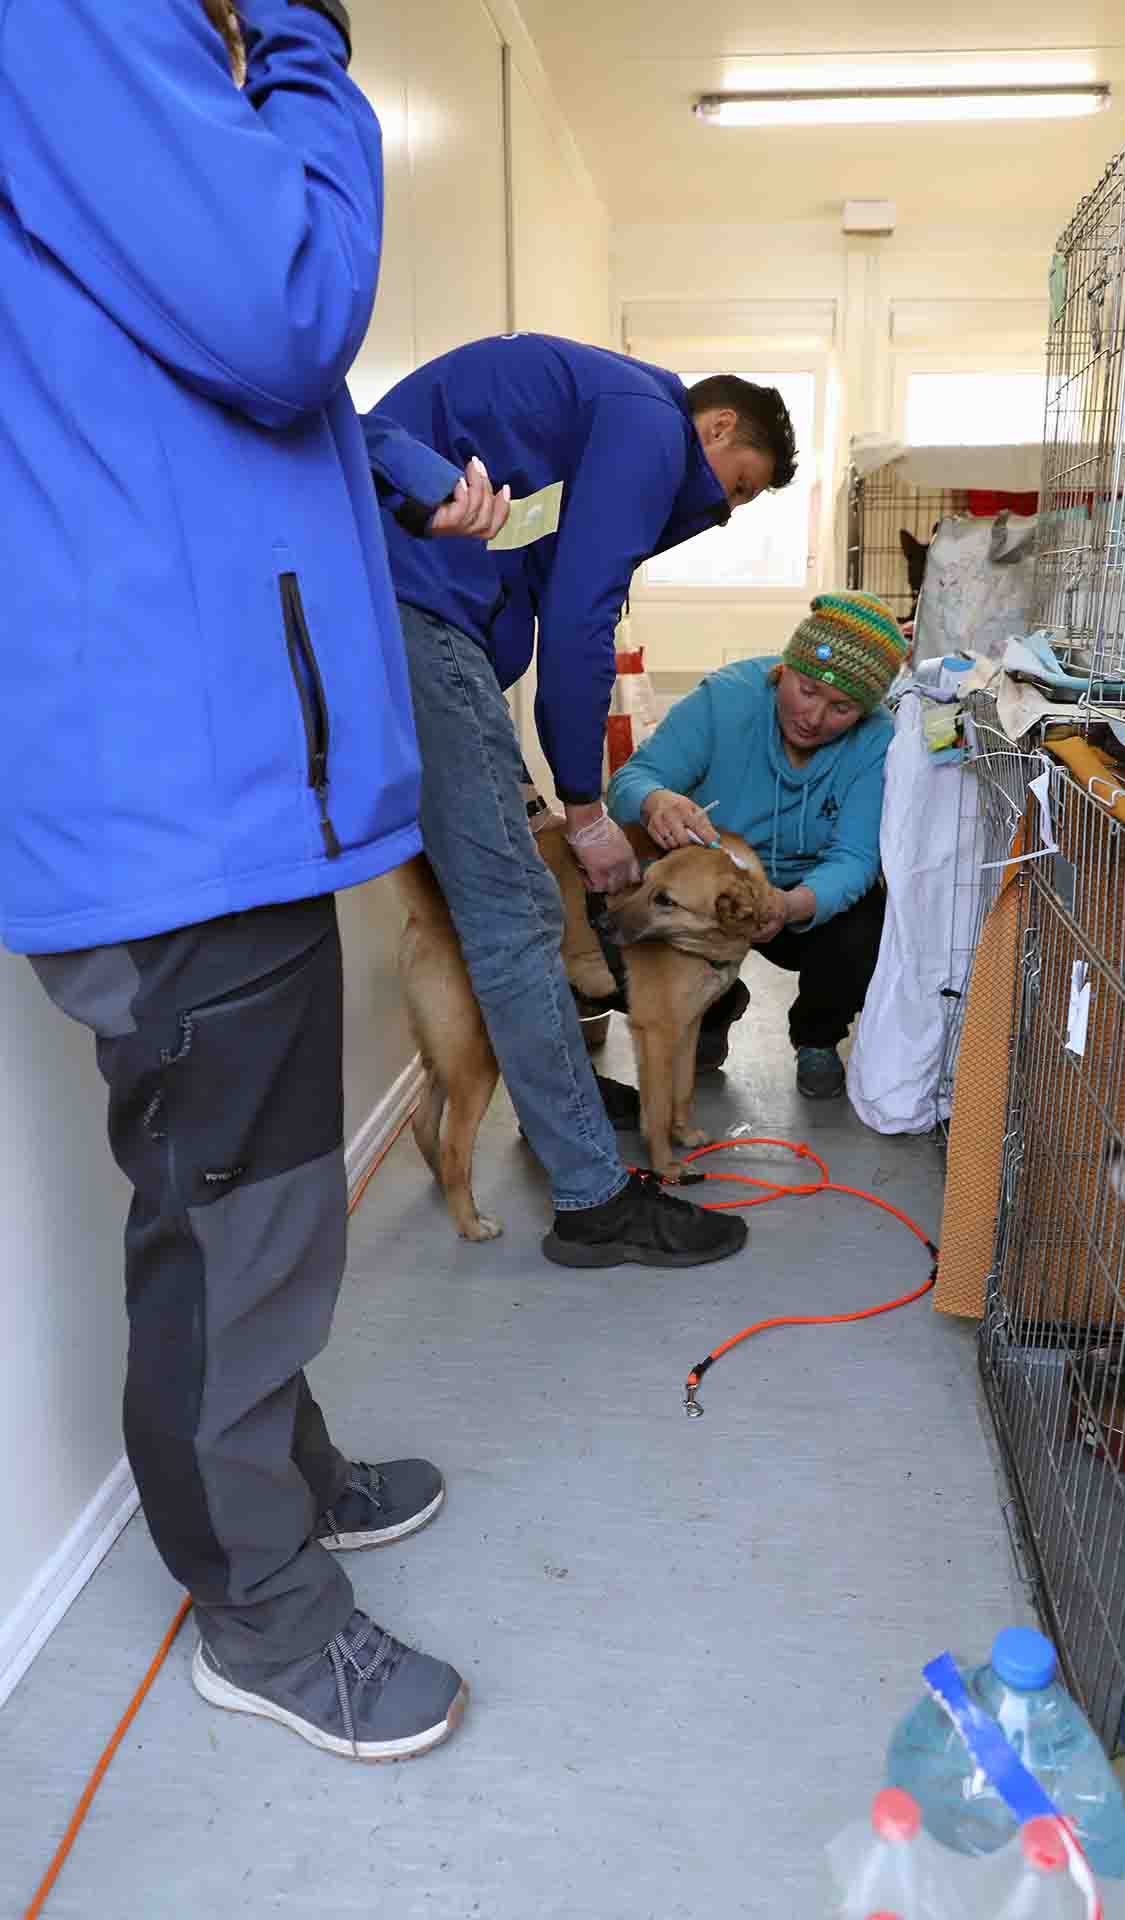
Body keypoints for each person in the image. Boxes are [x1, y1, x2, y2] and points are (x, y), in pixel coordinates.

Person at [1, 0, 512, 1764]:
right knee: (234, 1227)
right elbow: (281, 308)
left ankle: (282, 1478)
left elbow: (167, 369)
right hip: (172, 784)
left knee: (255, 1206)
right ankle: (265, 1618)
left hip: (209, 775)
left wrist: (369, 461)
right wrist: (304, 46)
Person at [368, 340, 798, 1264]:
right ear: (715, 427)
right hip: (417, 616)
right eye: (739, 484)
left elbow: (542, 581)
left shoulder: (589, 416)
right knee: (521, 913)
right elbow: (580, 615)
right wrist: (586, 807)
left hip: (418, 617)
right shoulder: (645, 420)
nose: (725, 513)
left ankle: (558, 1096)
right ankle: (593, 1200)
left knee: (513, 905)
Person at [608, 591, 907, 1100]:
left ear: (864, 711)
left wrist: (789, 905)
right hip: (706, 898)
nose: (813, 717)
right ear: (783, 670)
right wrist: (656, 801)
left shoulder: (876, 740)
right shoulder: (725, 699)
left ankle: (817, 1035)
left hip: (792, 900)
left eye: (842, 707)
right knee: (609, 942)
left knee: (870, 918)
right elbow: (633, 779)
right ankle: (714, 1007)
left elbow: (854, 859)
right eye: (806, 689)